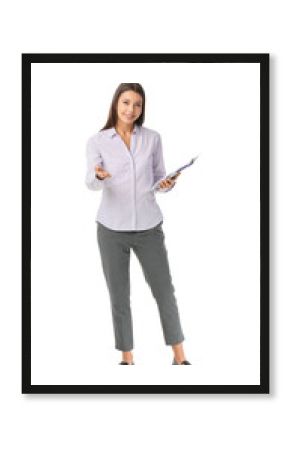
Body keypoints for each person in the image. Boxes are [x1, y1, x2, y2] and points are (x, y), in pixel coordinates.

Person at [85, 83, 191, 365]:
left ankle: (180, 357)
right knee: (119, 296)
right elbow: (90, 182)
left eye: (137, 104)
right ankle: (127, 358)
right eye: (126, 102)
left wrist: (166, 184)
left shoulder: (153, 139)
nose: (131, 109)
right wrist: (99, 176)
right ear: (115, 104)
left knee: (164, 291)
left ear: (142, 108)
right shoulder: (97, 141)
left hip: (148, 226)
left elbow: (158, 179)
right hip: (111, 229)